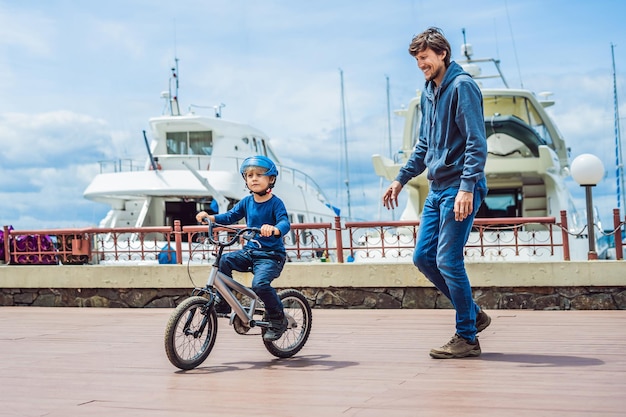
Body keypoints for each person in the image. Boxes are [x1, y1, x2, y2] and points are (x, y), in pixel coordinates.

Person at [382, 27, 491, 359]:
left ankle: (467, 337)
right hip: (437, 188)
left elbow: (476, 143)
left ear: (442, 53)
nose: (421, 64)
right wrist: (400, 179)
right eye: (417, 59)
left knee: (447, 259)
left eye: (425, 57)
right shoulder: (430, 91)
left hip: (460, 188)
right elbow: (424, 145)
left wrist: (467, 187)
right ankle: (472, 313)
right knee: (423, 258)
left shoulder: (463, 87)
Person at [196, 155, 290, 341]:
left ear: (271, 179)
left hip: (271, 256)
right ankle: (223, 302)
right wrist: (211, 218)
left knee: (260, 285)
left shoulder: (275, 203)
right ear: (245, 180)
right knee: (223, 261)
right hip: (250, 252)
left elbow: (284, 222)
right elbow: (231, 216)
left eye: (260, 174)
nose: (254, 178)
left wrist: (275, 229)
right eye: (249, 175)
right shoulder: (247, 202)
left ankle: (277, 317)